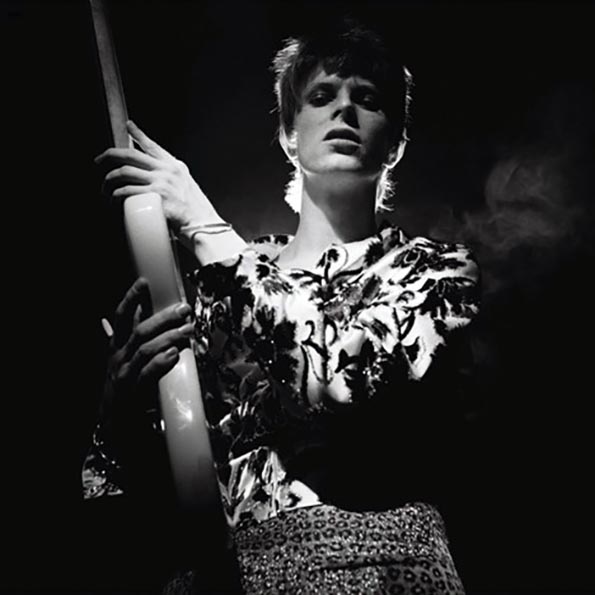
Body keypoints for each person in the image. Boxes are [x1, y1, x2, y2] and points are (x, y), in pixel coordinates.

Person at [84, 18, 480, 595]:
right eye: (321, 96)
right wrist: (119, 412)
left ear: (395, 145)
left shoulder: (436, 273)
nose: (344, 110)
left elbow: (336, 383)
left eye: (368, 99)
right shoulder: (223, 288)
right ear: (289, 135)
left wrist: (204, 227)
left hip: (381, 570)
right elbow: (162, 492)